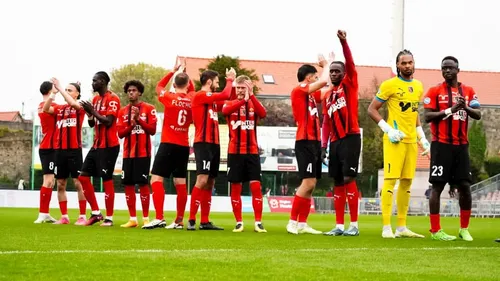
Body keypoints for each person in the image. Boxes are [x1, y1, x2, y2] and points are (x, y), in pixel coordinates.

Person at [367, 50, 429, 238]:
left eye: (410, 62)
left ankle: (401, 227)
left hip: (411, 141)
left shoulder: (418, 86)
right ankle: (386, 226)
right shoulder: (389, 85)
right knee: (390, 181)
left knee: (407, 182)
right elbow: (372, 109)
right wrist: (388, 130)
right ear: (398, 66)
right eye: (404, 63)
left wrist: (422, 137)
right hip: (395, 140)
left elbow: (414, 113)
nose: (408, 66)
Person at [423, 56, 481, 241]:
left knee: (465, 186)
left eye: (450, 68)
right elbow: (427, 117)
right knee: (437, 187)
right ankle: (435, 230)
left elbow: (478, 114)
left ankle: (464, 229)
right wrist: (450, 110)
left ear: (458, 69)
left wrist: (465, 107)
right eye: (444, 68)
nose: (447, 71)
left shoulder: (469, 91)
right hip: (441, 146)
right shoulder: (434, 91)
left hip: (461, 146)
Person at [143, 61, 195, 230]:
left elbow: (159, 86)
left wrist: (173, 71)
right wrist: (187, 75)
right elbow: (192, 90)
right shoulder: (192, 99)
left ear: (174, 84)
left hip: (168, 144)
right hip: (183, 146)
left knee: (156, 179)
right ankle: (179, 220)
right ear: (187, 85)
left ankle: (159, 217)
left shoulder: (169, 97)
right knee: (180, 182)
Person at [286, 53, 333, 235]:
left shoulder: (312, 97)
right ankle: (291, 222)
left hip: (314, 142)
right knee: (306, 183)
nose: (317, 77)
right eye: (314, 75)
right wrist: (326, 65)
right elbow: (322, 83)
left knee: (312, 184)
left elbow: (328, 90)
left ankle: (303, 223)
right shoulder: (299, 90)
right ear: (308, 78)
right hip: (304, 141)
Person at [321, 30, 361, 237]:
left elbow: (350, 62)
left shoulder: (350, 85)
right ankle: (338, 225)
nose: (334, 74)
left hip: (351, 137)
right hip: (335, 142)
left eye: (338, 71)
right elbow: (326, 123)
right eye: (332, 71)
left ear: (344, 73)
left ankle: (354, 225)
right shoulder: (327, 96)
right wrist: (323, 146)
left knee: (348, 178)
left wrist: (343, 42)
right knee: (337, 181)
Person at [187, 67, 235, 230]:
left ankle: (205, 221)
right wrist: (230, 80)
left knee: (210, 181)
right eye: (216, 81)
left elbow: (227, 101)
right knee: (202, 179)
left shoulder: (212, 101)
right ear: (209, 81)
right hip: (203, 143)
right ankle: (192, 219)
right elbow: (225, 95)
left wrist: (240, 89)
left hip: (214, 144)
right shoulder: (200, 95)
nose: (218, 84)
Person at [222, 75, 267, 233]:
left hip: (252, 152)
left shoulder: (254, 104)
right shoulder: (230, 103)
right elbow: (225, 110)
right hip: (235, 152)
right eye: (238, 87)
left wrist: (252, 97)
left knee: (256, 187)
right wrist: (242, 101)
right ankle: (239, 222)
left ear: (249, 87)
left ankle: (258, 222)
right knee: (235, 187)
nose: (240, 90)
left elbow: (263, 113)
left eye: (243, 87)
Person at [78, 71, 121, 226]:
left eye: (95, 80)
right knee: (83, 177)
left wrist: (93, 111)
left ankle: (109, 218)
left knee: (107, 179)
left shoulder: (113, 98)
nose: (92, 83)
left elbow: (108, 122)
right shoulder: (95, 99)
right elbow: (91, 124)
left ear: (103, 82)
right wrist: (90, 114)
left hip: (109, 146)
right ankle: (96, 212)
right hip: (97, 145)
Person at [43, 78, 87, 225]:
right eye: (66, 89)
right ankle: (65, 216)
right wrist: (53, 94)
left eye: (70, 90)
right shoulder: (60, 109)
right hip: (59, 151)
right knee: (60, 183)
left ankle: (82, 215)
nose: (66, 92)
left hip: (75, 150)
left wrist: (61, 88)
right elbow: (45, 109)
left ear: (77, 94)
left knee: (78, 183)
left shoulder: (80, 106)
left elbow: (73, 104)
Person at [117, 80, 157, 228]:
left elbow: (152, 130)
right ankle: (133, 218)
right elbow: (120, 134)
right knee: (128, 184)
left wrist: (138, 120)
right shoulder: (122, 111)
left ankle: (146, 218)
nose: (131, 93)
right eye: (128, 91)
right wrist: (131, 125)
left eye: (133, 90)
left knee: (143, 184)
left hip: (143, 153)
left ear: (139, 92)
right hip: (128, 154)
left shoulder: (149, 108)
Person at [34, 81, 58, 224]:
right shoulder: (47, 106)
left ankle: (46, 213)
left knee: (52, 181)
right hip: (49, 146)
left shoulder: (41, 105)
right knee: (48, 180)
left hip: (50, 146)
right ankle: (42, 213)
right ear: (50, 90)